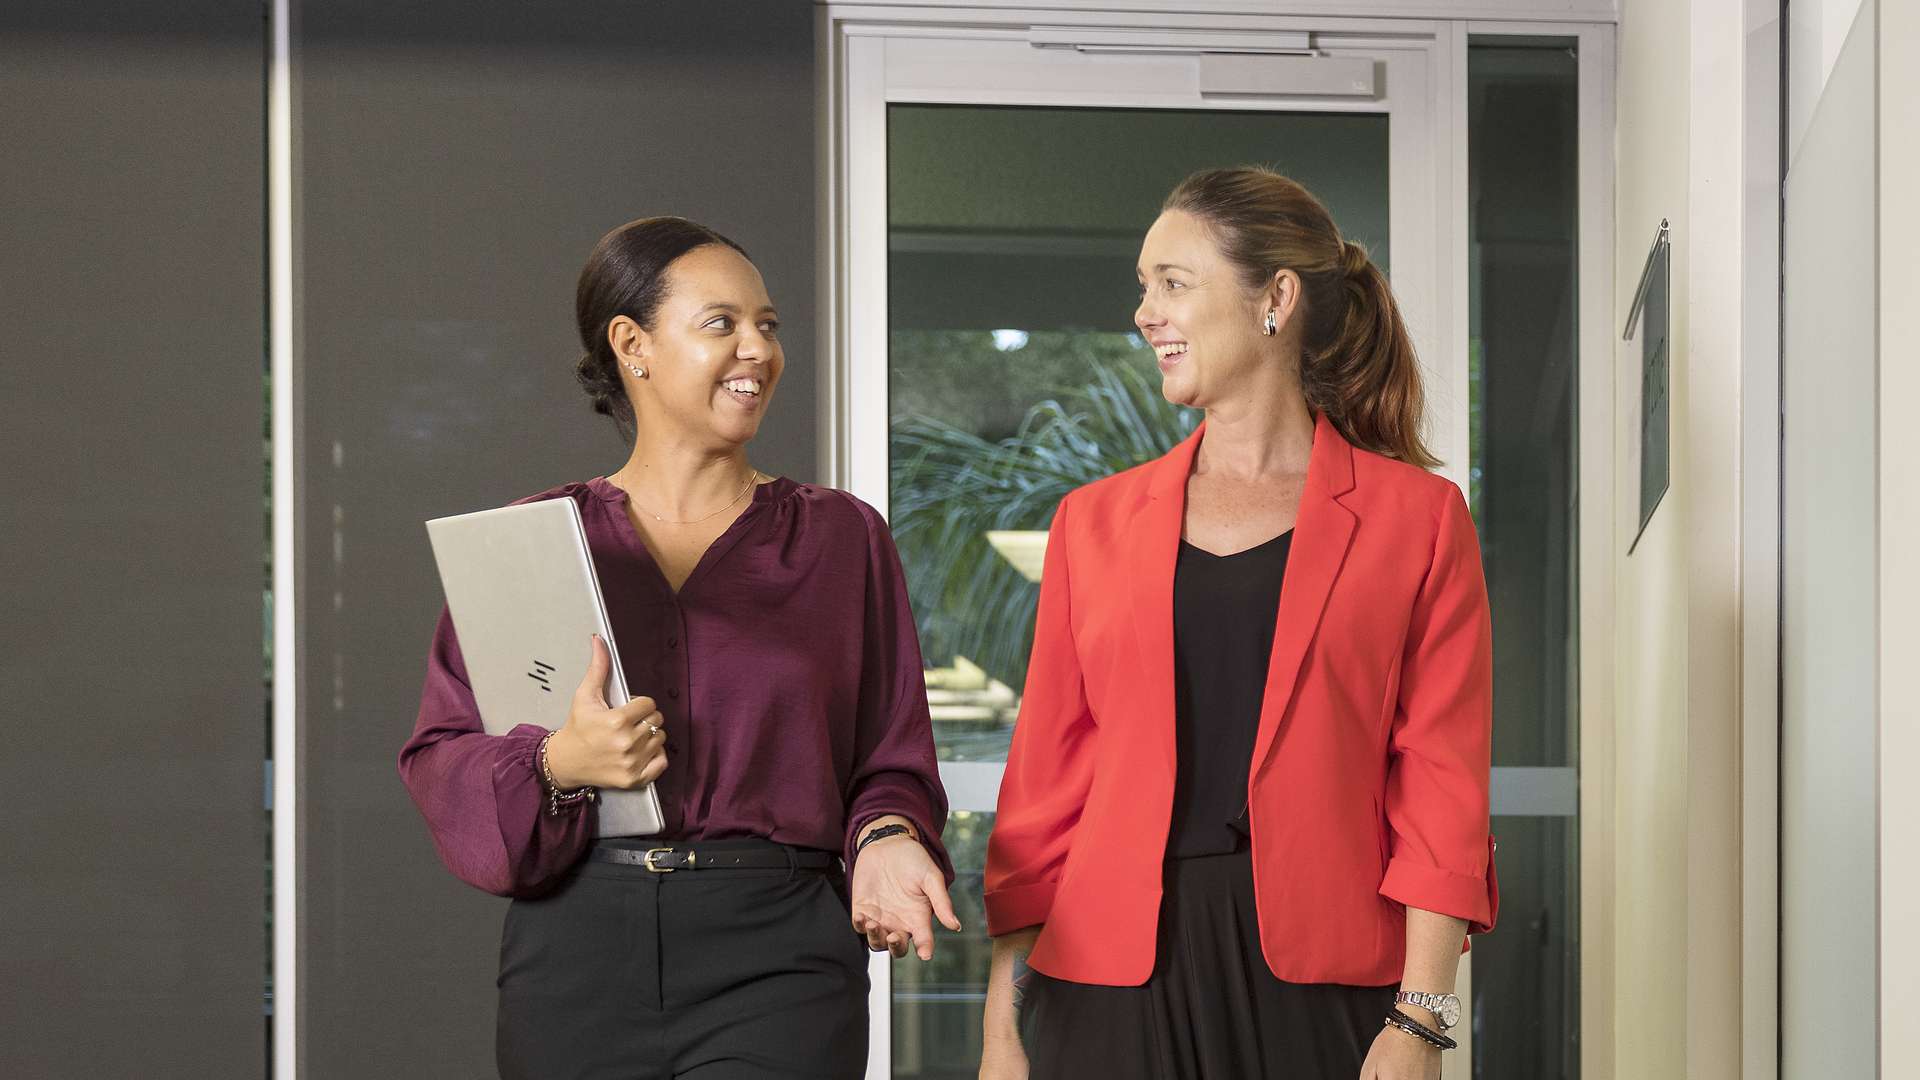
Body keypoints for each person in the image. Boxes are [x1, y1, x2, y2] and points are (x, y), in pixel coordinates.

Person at [399, 216, 959, 1079]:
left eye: (767, 325)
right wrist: (559, 762)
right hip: (576, 954)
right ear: (634, 345)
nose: (757, 351)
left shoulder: (840, 538)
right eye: (720, 324)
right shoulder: (526, 544)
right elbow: (443, 759)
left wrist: (888, 835)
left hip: (779, 953)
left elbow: (889, 755)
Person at [979, 168, 1499, 1080]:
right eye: (1144, 287)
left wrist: (1421, 1019)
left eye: (1172, 283)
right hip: (1104, 981)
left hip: (1327, 985)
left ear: (1277, 299)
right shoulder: (1090, 523)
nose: (1145, 313)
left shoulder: (1417, 520)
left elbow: (1440, 783)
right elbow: (1044, 789)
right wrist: (1000, 1025)